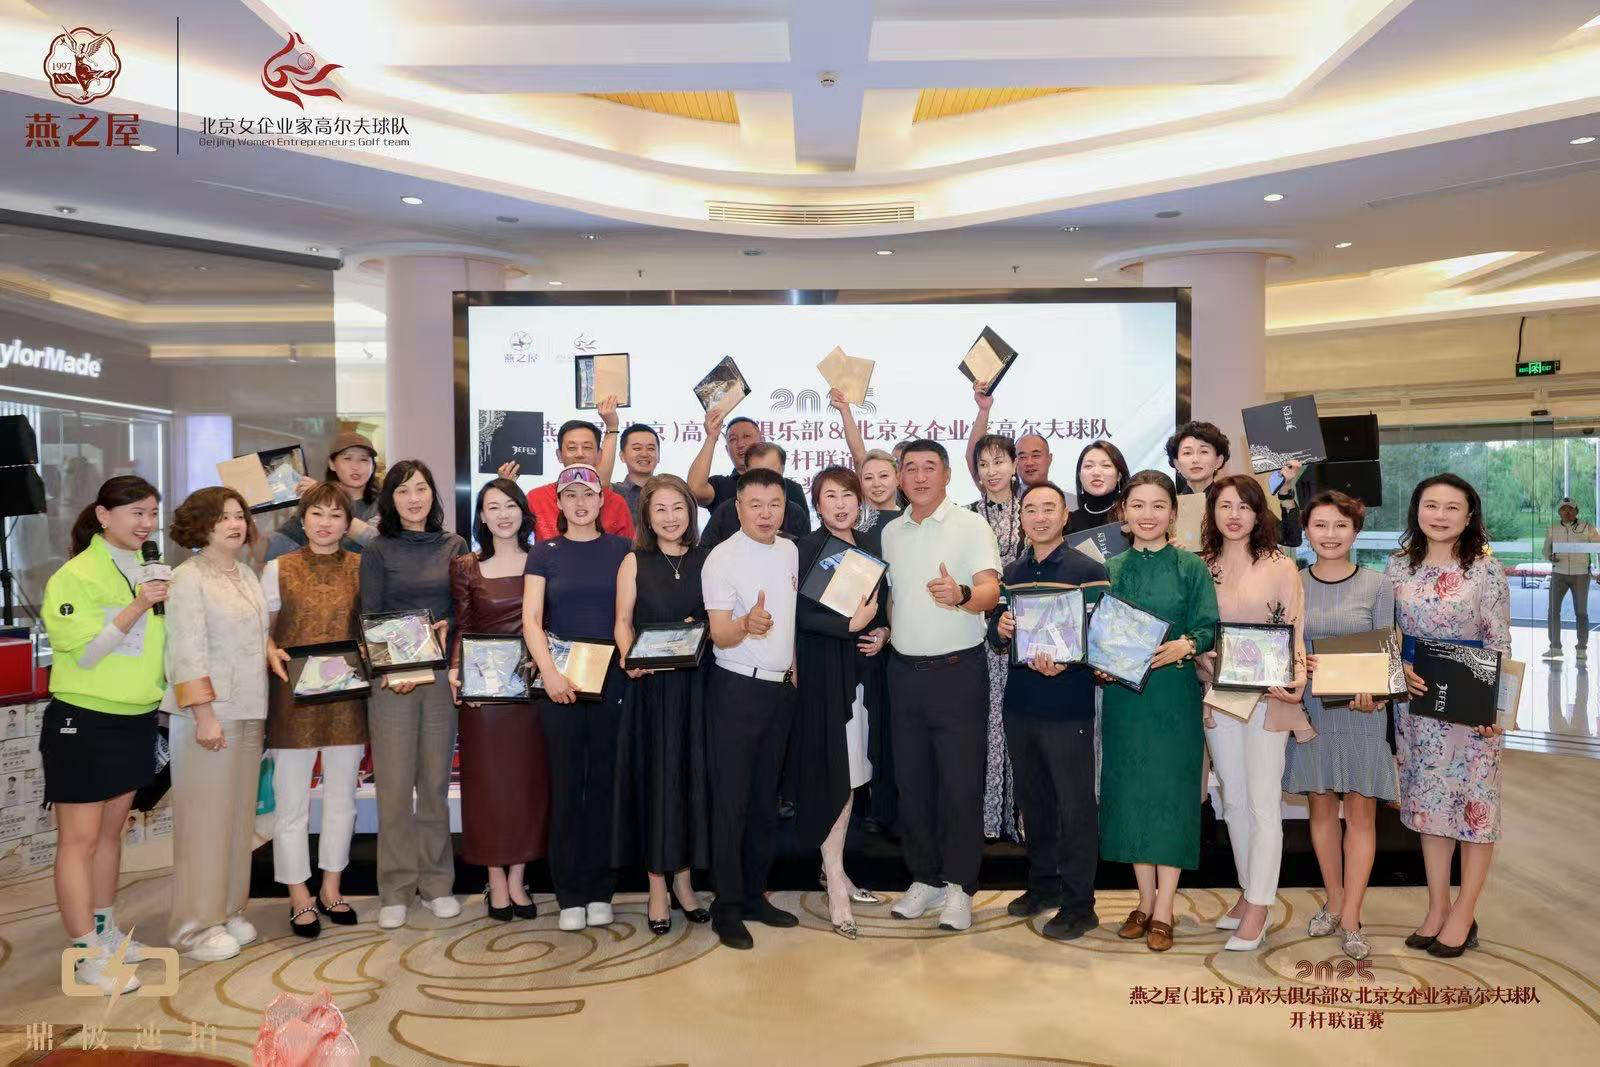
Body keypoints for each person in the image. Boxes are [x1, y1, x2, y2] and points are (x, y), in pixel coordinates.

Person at [41, 476, 167, 993]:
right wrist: (137, 605)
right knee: (79, 840)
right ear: (103, 515)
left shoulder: (149, 570)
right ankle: (85, 953)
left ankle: (104, 929)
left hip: (136, 716)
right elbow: (88, 654)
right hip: (83, 719)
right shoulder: (75, 576)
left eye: (153, 513)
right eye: (137, 512)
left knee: (112, 835)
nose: (147, 523)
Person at [881, 439, 1002, 932]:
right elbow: (895, 596)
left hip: (958, 673)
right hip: (903, 673)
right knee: (912, 785)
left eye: (929, 467)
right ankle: (924, 878)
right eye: (910, 468)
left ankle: (960, 887)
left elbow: (991, 591)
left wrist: (961, 594)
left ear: (947, 474)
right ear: (900, 477)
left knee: (959, 784)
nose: (919, 476)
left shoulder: (971, 525)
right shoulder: (891, 532)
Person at [1388, 473, 1511, 957]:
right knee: (1429, 805)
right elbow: (1391, 633)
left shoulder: (1485, 569)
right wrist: (1398, 667)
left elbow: (1499, 640)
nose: (1440, 515)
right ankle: (1437, 907)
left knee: (1475, 807)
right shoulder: (1399, 565)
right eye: (1431, 505)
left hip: (1472, 704)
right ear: (1417, 510)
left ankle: (1464, 911)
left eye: (1452, 507)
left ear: (1469, 515)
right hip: (1417, 701)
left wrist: (1495, 707)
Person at [1098, 471, 1219, 953]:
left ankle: (1165, 906)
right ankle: (1143, 900)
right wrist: (1099, 663)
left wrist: (1186, 644)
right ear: (1124, 513)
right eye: (1138, 505)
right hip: (1124, 699)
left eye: (1157, 505)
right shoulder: (1109, 568)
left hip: (1173, 695)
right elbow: (1097, 633)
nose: (1147, 515)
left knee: (1171, 796)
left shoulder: (1191, 567)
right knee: (1130, 794)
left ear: (1172, 513)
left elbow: (1208, 626)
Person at [988, 481, 1110, 941]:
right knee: (1034, 803)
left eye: (1048, 509)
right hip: (1020, 704)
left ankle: (1080, 905)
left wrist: (1070, 661)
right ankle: (1043, 886)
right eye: (1030, 510)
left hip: (1068, 707)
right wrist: (1001, 628)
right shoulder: (1012, 572)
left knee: (1075, 807)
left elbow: (1101, 639)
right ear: (1021, 518)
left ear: (1064, 516)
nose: (1039, 518)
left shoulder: (1088, 570)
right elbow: (997, 638)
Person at [1196, 474, 1309, 952]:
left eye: (1244, 506)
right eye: (1225, 506)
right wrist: (1203, 660)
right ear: (1212, 512)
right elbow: (1197, 630)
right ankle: (1248, 890)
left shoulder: (1280, 565)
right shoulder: (1202, 566)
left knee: (1263, 800)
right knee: (1234, 799)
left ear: (1258, 513)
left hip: (1267, 696)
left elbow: (1295, 629)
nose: (1234, 515)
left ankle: (1260, 904)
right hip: (1220, 694)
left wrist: (1295, 680)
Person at [1283, 490, 1397, 961]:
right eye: (1320, 525)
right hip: (1312, 709)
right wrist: (1298, 664)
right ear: (1306, 531)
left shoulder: (1377, 585)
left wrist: (1379, 693)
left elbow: (1388, 652)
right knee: (1321, 809)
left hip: (1363, 712)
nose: (1330, 535)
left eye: (1341, 526)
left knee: (1361, 814)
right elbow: (1283, 644)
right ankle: (1333, 901)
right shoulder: (1293, 581)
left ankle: (1352, 915)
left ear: (1356, 531)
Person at [360, 459, 470, 930]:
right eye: (403, 490)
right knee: (393, 787)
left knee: (434, 785)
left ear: (432, 495)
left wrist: (450, 640)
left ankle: (438, 884)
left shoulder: (454, 545)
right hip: (392, 682)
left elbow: (464, 610)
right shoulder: (378, 548)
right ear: (391, 499)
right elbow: (368, 614)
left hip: (440, 678)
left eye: (421, 488)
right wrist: (392, 670)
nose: (413, 498)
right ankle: (396, 888)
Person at [522, 464, 632, 932]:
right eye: (571, 496)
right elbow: (531, 619)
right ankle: (569, 893)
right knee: (567, 787)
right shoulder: (544, 552)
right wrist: (549, 673)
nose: (580, 503)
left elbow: (629, 615)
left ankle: (601, 890)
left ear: (602, 500)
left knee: (605, 786)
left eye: (588, 494)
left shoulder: (622, 550)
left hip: (612, 683)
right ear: (559, 503)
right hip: (560, 684)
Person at [163, 487, 270, 962]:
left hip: (249, 708)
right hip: (208, 716)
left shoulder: (244, 573)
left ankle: (227, 910)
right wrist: (204, 715)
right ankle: (194, 927)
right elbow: (186, 652)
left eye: (239, 515)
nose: (235, 524)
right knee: (204, 823)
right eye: (223, 517)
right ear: (202, 524)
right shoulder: (188, 577)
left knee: (237, 819)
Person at [701, 466, 802, 949]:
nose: (766, 514)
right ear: (737, 507)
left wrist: (793, 671)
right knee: (732, 802)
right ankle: (727, 906)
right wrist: (747, 624)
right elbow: (719, 633)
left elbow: (792, 619)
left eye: (774, 504)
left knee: (766, 801)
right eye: (756, 505)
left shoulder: (790, 550)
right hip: (736, 689)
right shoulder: (721, 558)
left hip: (779, 691)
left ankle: (755, 895)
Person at [262, 482, 367, 938]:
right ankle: (298, 894)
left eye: (335, 515)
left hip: (346, 693)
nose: (326, 523)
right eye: (317, 514)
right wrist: (268, 648)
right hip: (293, 695)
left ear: (347, 524)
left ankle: (331, 887)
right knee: (291, 802)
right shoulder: (277, 568)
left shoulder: (362, 568)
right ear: (302, 520)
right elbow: (262, 630)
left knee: (343, 799)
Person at [613, 474, 712, 934]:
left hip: (697, 688)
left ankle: (685, 882)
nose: (671, 518)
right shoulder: (634, 561)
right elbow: (622, 622)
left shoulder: (707, 559)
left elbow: (718, 618)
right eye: (660, 509)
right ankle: (656, 885)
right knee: (657, 784)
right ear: (647, 517)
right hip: (650, 688)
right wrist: (629, 658)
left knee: (692, 781)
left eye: (678, 508)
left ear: (690, 512)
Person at [793, 467, 889, 940]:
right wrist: (846, 627)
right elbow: (798, 614)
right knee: (834, 773)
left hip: (863, 674)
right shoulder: (806, 548)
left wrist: (883, 630)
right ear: (817, 504)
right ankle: (834, 878)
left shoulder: (871, 545)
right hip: (822, 675)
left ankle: (837, 869)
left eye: (847, 495)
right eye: (830, 496)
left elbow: (882, 606)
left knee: (852, 774)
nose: (840, 504)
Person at [448, 478, 550, 922]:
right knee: (488, 788)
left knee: (527, 786)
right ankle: (495, 878)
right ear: (482, 516)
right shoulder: (465, 566)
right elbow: (463, 625)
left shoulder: (542, 559)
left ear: (523, 512)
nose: (503, 514)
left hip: (530, 691)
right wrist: (457, 670)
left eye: (510, 505)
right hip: (485, 695)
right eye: (493, 507)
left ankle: (519, 877)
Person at [967, 434, 1023, 842]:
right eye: (983, 464)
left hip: (1026, 633)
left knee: (1021, 724)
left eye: (999, 461)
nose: (992, 471)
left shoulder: (1034, 510)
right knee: (986, 725)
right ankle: (987, 820)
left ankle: (1022, 817)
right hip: (977, 634)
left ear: (1014, 464)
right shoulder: (967, 516)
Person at [1165, 420, 1303, 548]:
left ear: (1219, 461)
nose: (1195, 459)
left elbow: (1291, 538)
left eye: (1204, 451)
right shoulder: (1168, 507)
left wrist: (1285, 490)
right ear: (1177, 464)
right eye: (1187, 453)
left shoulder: (1239, 496)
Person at [514, 409, 635, 542]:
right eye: (572, 448)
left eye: (587, 447)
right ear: (559, 455)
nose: (580, 454)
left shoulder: (617, 503)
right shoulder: (536, 498)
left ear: (599, 455)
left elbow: (628, 550)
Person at [263, 432, 382, 562]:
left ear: (373, 466)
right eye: (347, 458)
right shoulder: (313, 504)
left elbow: (380, 542)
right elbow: (272, 548)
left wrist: (327, 498)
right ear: (332, 464)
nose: (356, 467)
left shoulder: (384, 503)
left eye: (364, 460)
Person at [688, 407, 811, 522]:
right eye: (733, 439)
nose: (740, 444)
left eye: (746, 436)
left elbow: (803, 533)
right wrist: (711, 437)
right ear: (727, 449)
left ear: (761, 441)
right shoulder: (720, 486)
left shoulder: (791, 488)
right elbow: (694, 491)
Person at [700, 441, 812, 549]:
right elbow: (705, 551)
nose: (763, 480)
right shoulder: (726, 511)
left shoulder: (796, 513)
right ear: (746, 472)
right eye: (756, 474)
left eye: (770, 474)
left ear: (782, 470)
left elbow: (806, 553)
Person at [965, 381, 1056, 492]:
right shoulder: (1003, 496)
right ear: (1014, 463)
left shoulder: (1070, 500)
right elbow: (975, 456)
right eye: (1022, 457)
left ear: (1049, 458)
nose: (1029, 462)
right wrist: (984, 410)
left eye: (1036, 455)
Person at [1542, 496, 1599, 662]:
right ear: (1559, 512)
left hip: (1580, 574)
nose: (1567, 512)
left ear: (1576, 511)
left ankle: (1581, 648)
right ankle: (1555, 647)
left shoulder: (1587, 527)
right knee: (1553, 611)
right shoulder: (1553, 528)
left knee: (1581, 612)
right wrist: (1550, 556)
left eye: (1570, 509)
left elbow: (1598, 547)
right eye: (1563, 509)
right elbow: (1545, 550)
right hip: (1558, 573)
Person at [1066, 439, 1130, 534]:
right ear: (1080, 476)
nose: (1096, 472)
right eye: (1088, 466)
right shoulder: (1068, 523)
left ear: (1119, 475)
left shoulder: (1130, 515)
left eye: (1106, 465)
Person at [611, 423, 661, 519]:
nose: (644, 454)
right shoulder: (613, 492)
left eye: (651, 449)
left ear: (658, 456)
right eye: (637, 448)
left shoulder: (670, 492)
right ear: (622, 456)